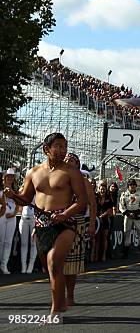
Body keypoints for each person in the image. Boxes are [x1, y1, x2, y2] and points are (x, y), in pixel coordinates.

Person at [3, 132, 86, 314]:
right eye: (57, 146)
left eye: (64, 146)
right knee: (51, 269)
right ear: (46, 149)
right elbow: (25, 199)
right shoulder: (33, 172)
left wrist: (65, 214)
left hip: (65, 224)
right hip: (41, 224)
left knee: (54, 262)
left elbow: (82, 201)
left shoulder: (71, 172)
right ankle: (61, 302)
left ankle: (55, 311)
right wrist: (13, 195)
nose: (62, 150)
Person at [63, 152, 97, 306]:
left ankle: (69, 295)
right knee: (57, 261)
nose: (68, 161)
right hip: (57, 222)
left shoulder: (84, 182)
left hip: (76, 222)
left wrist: (91, 224)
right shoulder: (57, 178)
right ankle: (58, 294)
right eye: (66, 160)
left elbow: (92, 204)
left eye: (72, 160)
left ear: (77, 164)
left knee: (72, 261)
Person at [118, 179, 140, 259]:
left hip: (137, 215)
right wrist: (128, 214)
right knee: (126, 233)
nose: (132, 186)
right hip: (128, 216)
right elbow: (121, 206)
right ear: (128, 186)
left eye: (134, 184)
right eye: (130, 185)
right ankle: (125, 253)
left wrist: (135, 214)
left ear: (136, 185)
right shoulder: (124, 194)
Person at [0, 168, 18, 274]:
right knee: (1, 241)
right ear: (4, 177)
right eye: (8, 176)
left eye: (12, 176)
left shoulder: (15, 189)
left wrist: (14, 213)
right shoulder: (1, 188)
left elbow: (19, 203)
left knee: (8, 242)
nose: (10, 178)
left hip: (12, 217)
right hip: (2, 216)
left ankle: (4, 265)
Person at [18, 196, 37, 273]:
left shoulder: (37, 191)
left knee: (33, 243)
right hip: (24, 219)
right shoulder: (24, 190)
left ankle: (30, 266)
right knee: (24, 244)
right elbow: (19, 205)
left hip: (34, 219)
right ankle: (23, 267)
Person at [96, 181, 115, 262]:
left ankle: (104, 255)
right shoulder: (96, 197)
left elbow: (110, 210)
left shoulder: (108, 198)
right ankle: (95, 256)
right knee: (97, 239)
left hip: (105, 220)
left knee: (104, 238)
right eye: (101, 189)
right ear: (99, 189)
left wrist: (103, 215)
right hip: (96, 220)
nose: (102, 191)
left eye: (104, 189)